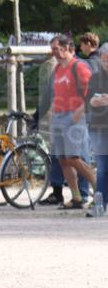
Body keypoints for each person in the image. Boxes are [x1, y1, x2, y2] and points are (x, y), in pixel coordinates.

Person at [48, 34, 97, 211]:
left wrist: (80, 111)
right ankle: (76, 198)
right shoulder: (57, 69)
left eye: (56, 48)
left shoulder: (79, 66)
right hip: (59, 117)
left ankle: (100, 190)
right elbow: (58, 92)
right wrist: (52, 108)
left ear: (67, 47)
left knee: (75, 158)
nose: (53, 52)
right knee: (63, 160)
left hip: (74, 117)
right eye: (52, 49)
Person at [86, 44, 108, 216]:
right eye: (103, 60)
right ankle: (99, 205)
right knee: (101, 168)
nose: (106, 63)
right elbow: (87, 102)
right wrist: (93, 102)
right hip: (98, 127)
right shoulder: (94, 78)